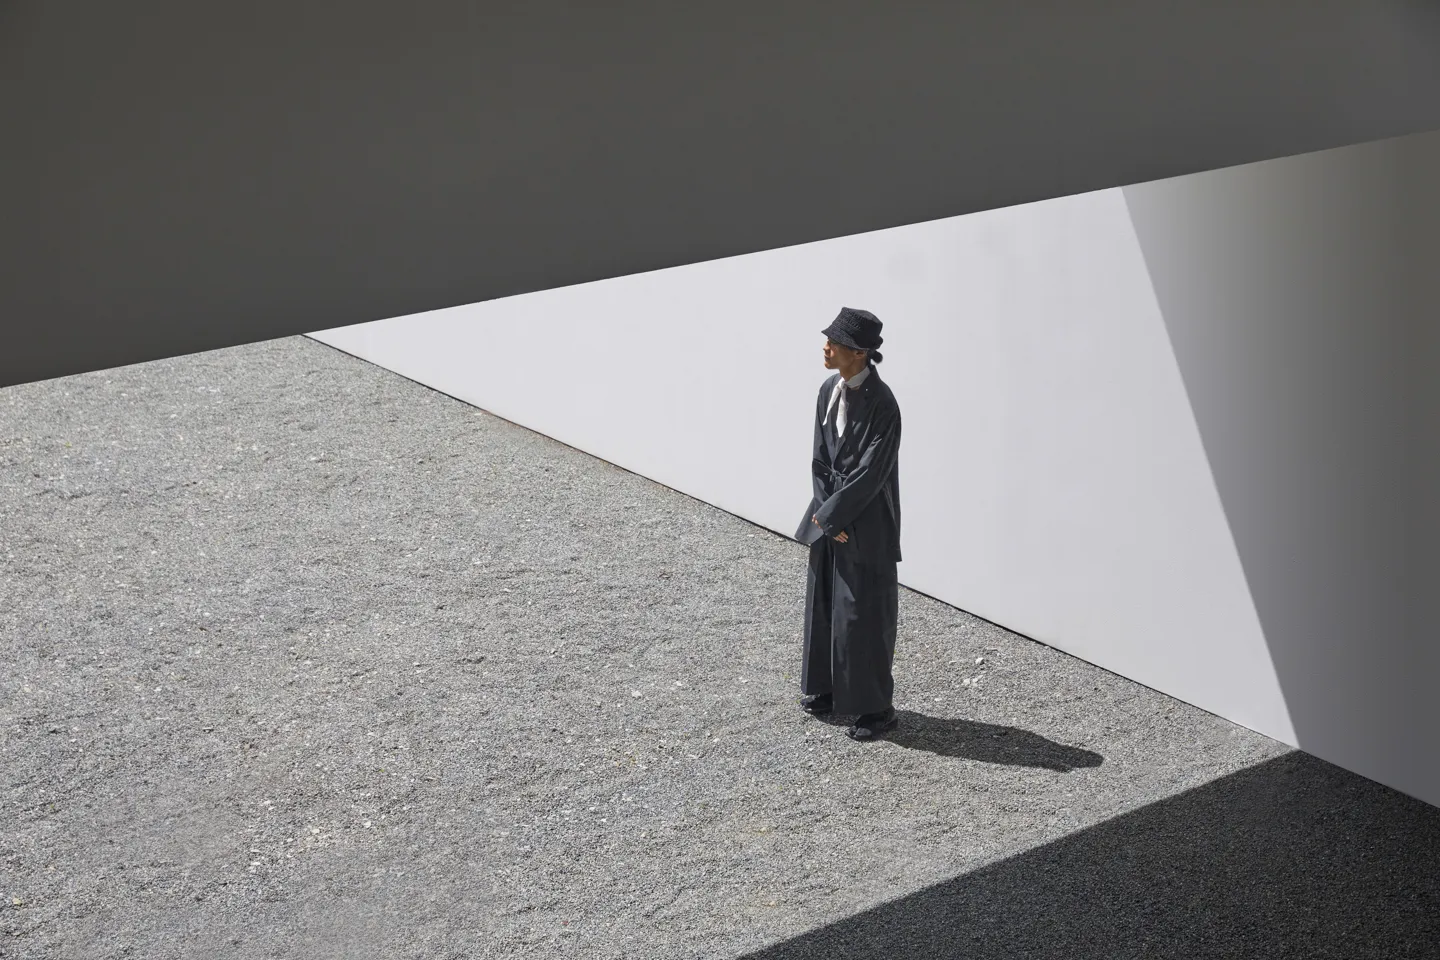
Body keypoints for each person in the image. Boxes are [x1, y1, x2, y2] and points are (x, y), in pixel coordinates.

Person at [793, 307, 902, 741]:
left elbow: (874, 473)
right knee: (824, 605)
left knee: (863, 614)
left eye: (834, 343)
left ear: (858, 354)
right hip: (829, 513)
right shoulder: (827, 389)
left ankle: (875, 709)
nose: (826, 347)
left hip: (867, 518)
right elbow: (820, 456)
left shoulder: (884, 404)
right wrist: (824, 512)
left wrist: (836, 515)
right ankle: (826, 688)